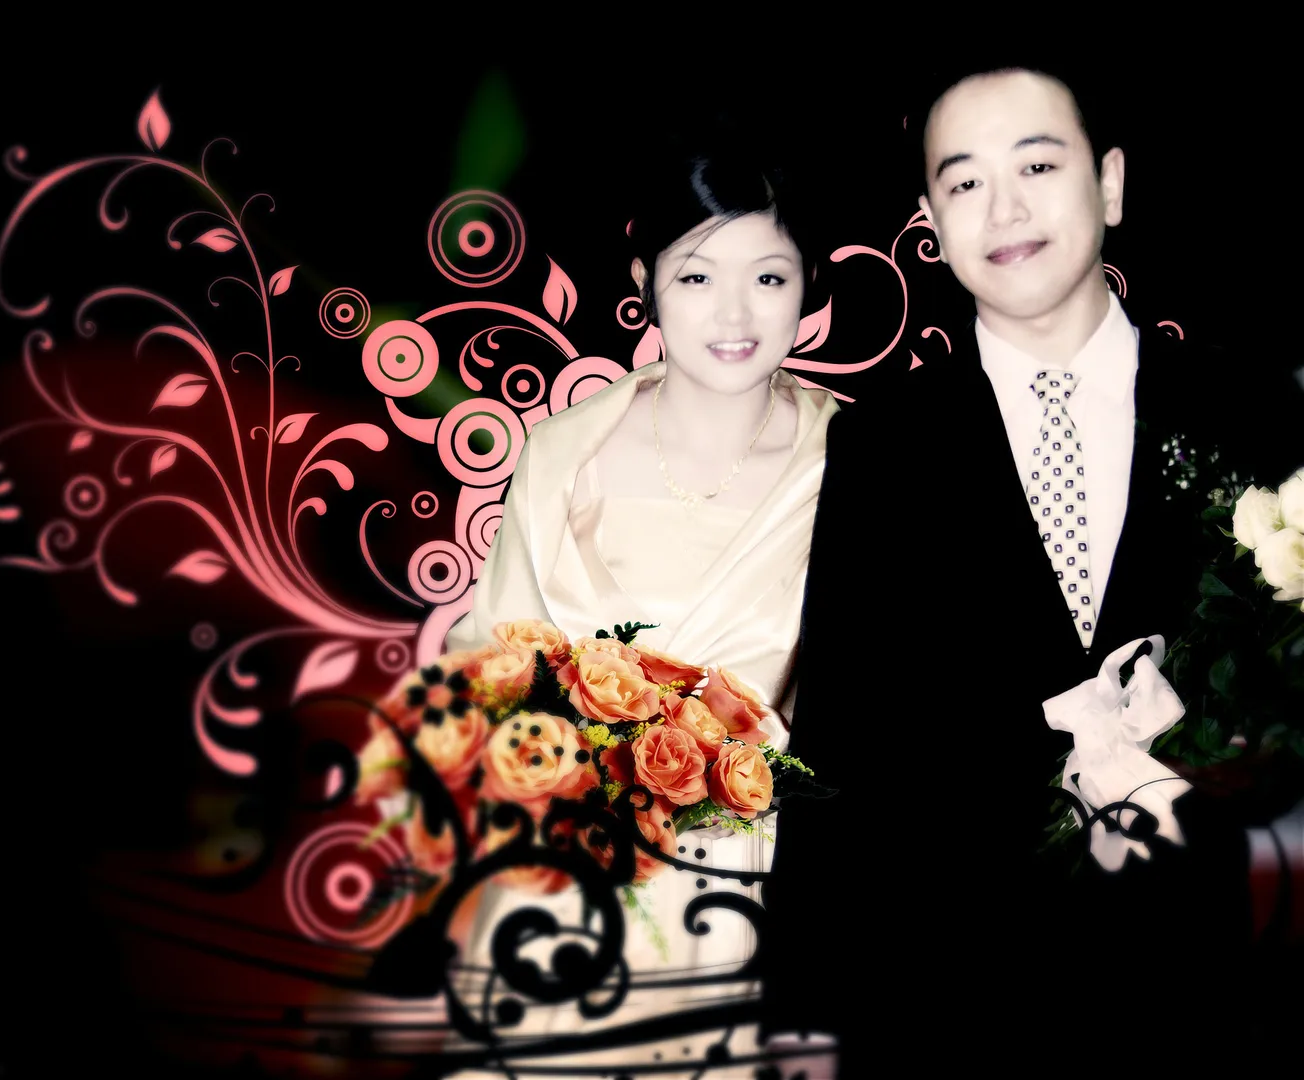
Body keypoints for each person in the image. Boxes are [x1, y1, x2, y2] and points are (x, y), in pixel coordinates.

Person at [761, 61, 1303, 1078]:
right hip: (962, 999)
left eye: (1038, 165)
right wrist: (804, 1014)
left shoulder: (1253, 411)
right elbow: (840, 736)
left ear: (1110, 183)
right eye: (964, 181)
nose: (1003, 207)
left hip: (1228, 983)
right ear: (931, 220)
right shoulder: (884, 447)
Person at [438, 144, 841, 1078]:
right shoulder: (562, 453)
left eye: (768, 277)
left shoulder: (854, 464)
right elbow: (486, 667)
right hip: (557, 884)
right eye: (697, 276)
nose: (734, 314)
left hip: (748, 898)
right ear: (644, 283)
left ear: (806, 286)